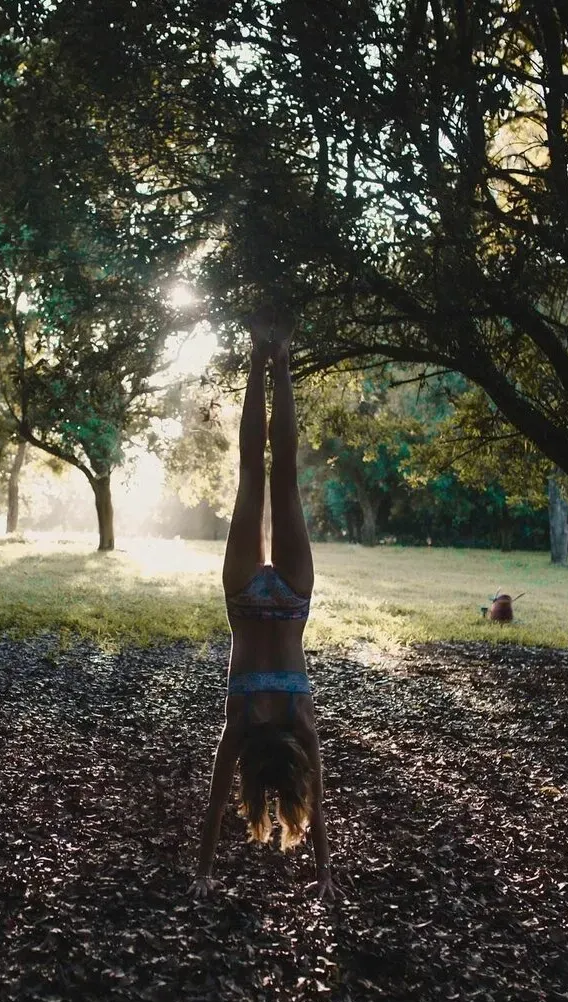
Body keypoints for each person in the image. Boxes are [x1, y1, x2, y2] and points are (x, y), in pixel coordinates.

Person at [190, 305, 337, 901]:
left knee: (282, 478)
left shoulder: (298, 725)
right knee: (254, 475)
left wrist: (326, 869)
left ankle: (280, 360)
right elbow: (217, 803)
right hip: (249, 601)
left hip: (290, 601)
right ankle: (262, 358)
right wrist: (202, 869)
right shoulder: (242, 726)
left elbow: (318, 804)